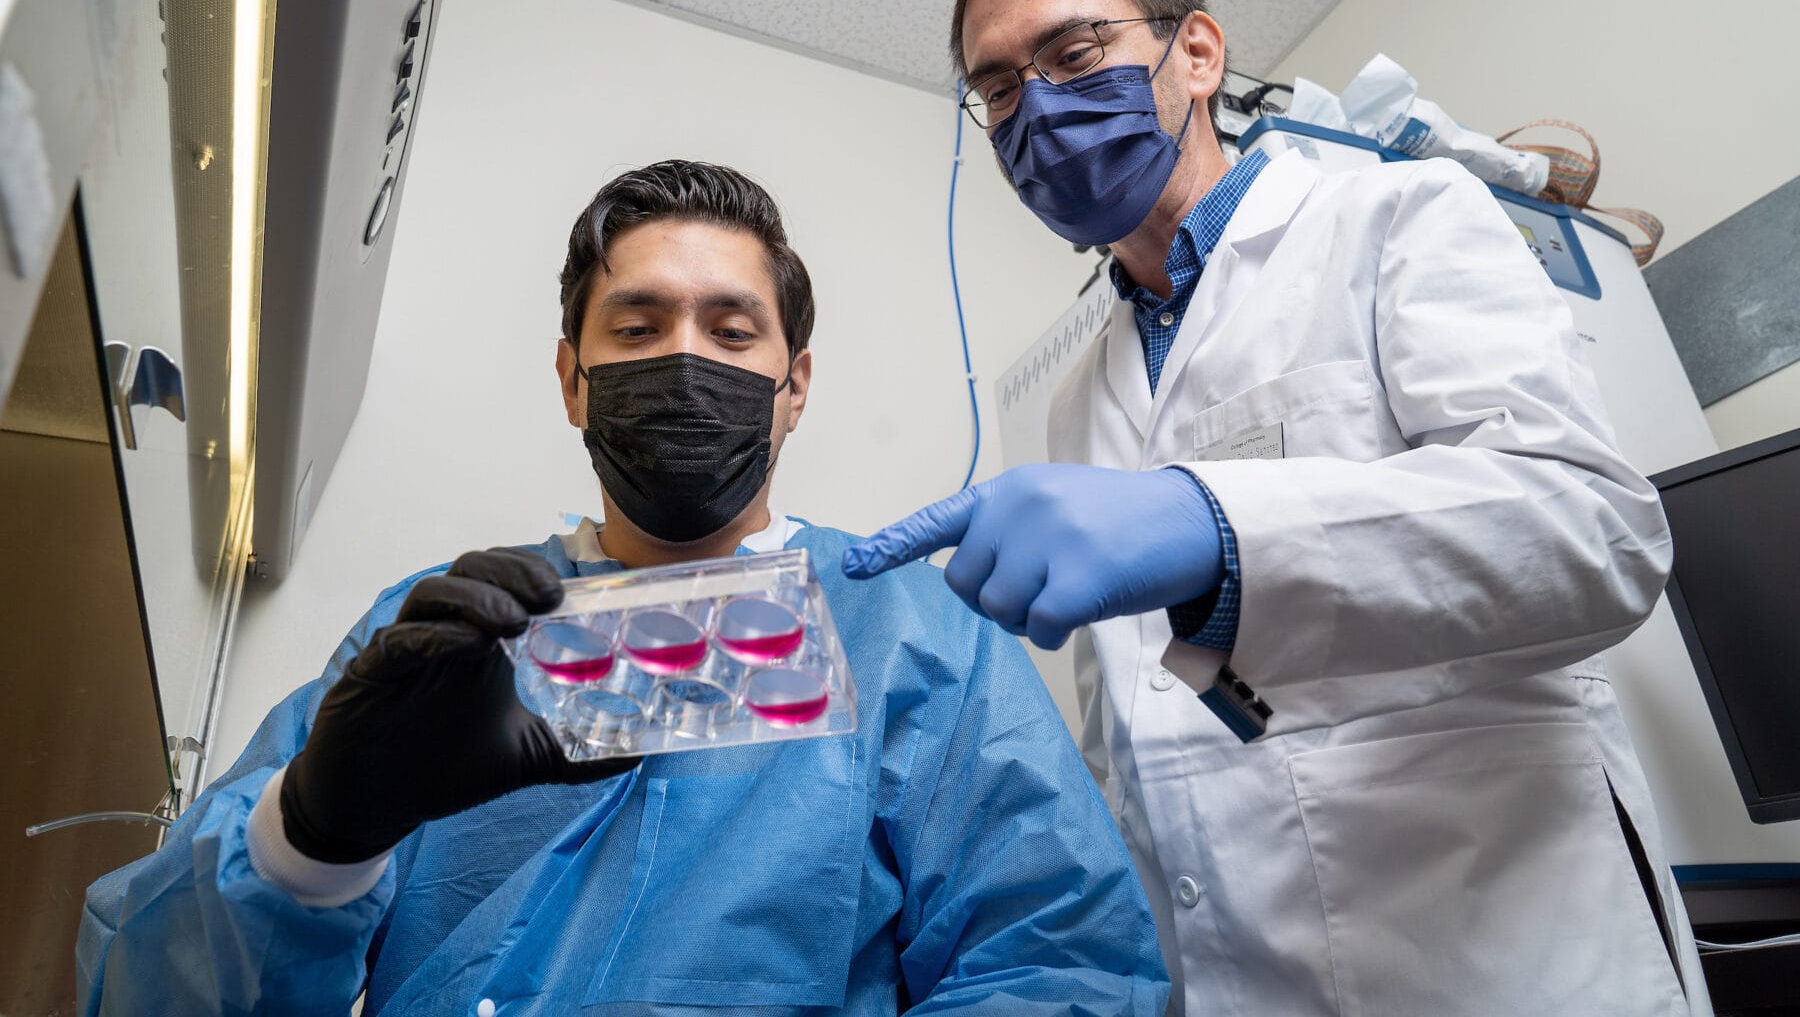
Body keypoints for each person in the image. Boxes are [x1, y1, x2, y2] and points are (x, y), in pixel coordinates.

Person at [845, 0, 1710, 1015]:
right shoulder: (1076, 400)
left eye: (1073, 56)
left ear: (1196, 54)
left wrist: (1214, 528)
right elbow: (1161, 718)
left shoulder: (1398, 218)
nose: (1039, 113)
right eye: (1001, 89)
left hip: (1508, 957)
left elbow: (1593, 530)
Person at [78, 160, 1168, 1015]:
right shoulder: (445, 636)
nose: (685, 361)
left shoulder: (909, 630)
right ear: (573, 379)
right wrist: (311, 837)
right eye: (638, 328)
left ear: (793, 389)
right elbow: (151, 991)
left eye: (731, 331)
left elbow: (1064, 964)